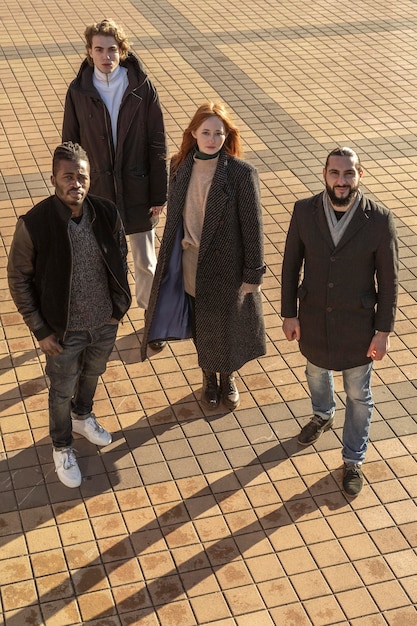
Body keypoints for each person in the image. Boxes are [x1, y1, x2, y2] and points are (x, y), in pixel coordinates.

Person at [7, 142, 131, 488]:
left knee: (92, 374)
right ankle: (62, 446)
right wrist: (41, 329)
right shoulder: (34, 223)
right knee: (61, 391)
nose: (75, 182)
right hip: (62, 331)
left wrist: (118, 308)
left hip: (104, 322)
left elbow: (119, 256)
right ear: (53, 179)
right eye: (67, 176)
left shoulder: (106, 212)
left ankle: (83, 416)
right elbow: (18, 279)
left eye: (81, 176)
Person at [281, 147, 398, 496]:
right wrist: (289, 313)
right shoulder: (304, 211)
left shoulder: (379, 220)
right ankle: (322, 413)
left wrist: (383, 332)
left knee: (358, 395)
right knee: (315, 372)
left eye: (349, 173)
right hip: (314, 316)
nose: (341, 180)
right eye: (335, 173)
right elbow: (290, 266)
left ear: (360, 175)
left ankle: (353, 459)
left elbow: (389, 281)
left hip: (358, 325)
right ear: (324, 174)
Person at [141, 102, 266, 410]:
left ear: (227, 136)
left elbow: (253, 227)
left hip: (227, 267)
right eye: (206, 132)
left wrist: (253, 275)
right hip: (187, 261)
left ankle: (228, 377)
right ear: (194, 132)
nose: (211, 139)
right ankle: (208, 377)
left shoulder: (241, 173)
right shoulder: (179, 165)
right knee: (200, 322)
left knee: (226, 324)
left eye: (218, 133)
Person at [62, 18, 168, 350]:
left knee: (145, 263)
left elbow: (157, 144)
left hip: (137, 192)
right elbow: (70, 147)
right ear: (89, 52)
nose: (106, 56)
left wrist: (159, 194)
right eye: (99, 50)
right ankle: (100, 322)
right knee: (97, 262)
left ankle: (152, 321)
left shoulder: (141, 87)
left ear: (121, 51)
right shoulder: (78, 91)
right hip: (98, 197)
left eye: (112, 50)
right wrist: (72, 195)